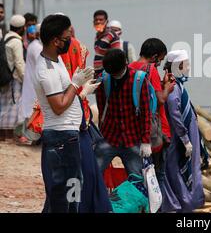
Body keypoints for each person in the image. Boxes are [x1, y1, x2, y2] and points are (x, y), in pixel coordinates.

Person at [34, 13, 96, 213]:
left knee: (71, 190)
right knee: (65, 195)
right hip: (61, 137)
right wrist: (75, 84)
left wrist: (82, 90)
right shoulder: (47, 69)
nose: (70, 41)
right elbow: (59, 106)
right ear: (55, 41)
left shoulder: (57, 60)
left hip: (67, 136)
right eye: (67, 37)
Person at [58, 23, 112, 213]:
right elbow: (60, 105)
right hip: (69, 132)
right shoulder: (57, 74)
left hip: (80, 128)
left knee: (87, 177)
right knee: (81, 178)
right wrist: (81, 94)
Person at [95, 49, 153, 177]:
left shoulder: (139, 80)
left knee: (136, 180)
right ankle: (93, 197)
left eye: (117, 73)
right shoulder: (104, 80)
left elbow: (146, 112)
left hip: (133, 138)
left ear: (126, 63)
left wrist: (146, 141)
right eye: (112, 74)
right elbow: (101, 109)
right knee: (93, 175)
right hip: (108, 137)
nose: (115, 76)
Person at [162, 50, 205, 212]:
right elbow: (175, 113)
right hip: (178, 137)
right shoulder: (173, 86)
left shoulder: (178, 84)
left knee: (188, 167)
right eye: (186, 65)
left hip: (184, 135)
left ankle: (187, 201)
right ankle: (183, 203)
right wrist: (185, 139)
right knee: (177, 169)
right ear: (178, 66)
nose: (188, 68)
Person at [129, 38, 175, 187]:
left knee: (137, 174)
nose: (159, 64)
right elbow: (160, 99)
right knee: (157, 175)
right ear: (154, 57)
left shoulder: (130, 68)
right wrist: (167, 87)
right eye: (160, 60)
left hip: (133, 130)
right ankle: (157, 209)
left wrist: (160, 84)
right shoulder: (150, 69)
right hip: (153, 132)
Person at [0, 15, 26, 140]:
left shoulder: (5, 38)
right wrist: (25, 79)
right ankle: (8, 137)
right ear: (21, 29)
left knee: (4, 106)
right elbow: (19, 64)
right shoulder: (16, 41)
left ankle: (4, 137)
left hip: (4, 77)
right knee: (11, 108)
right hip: (13, 80)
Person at [19, 23, 42, 144]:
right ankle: (31, 137)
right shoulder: (37, 47)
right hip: (35, 83)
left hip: (31, 82)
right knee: (34, 110)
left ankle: (29, 136)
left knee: (30, 109)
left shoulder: (33, 45)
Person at [92, 10, 120, 77]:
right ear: (93, 22)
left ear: (106, 21)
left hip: (107, 74)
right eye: (96, 20)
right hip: (98, 74)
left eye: (101, 20)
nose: (98, 22)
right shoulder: (97, 36)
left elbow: (116, 55)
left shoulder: (111, 35)